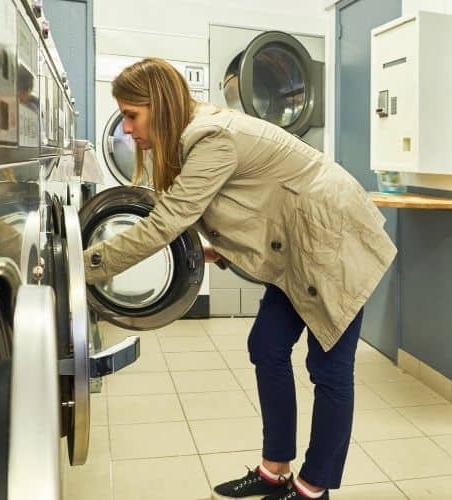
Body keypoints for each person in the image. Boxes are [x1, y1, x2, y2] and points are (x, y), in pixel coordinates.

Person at [83, 58, 397, 500]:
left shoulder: (211, 136)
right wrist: (212, 250)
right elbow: (233, 202)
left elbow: (167, 221)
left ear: (160, 105)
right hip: (298, 244)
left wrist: (82, 266)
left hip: (333, 239)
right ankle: (275, 470)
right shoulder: (194, 137)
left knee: (329, 367)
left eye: (132, 116)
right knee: (266, 346)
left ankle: (313, 488)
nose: (128, 129)